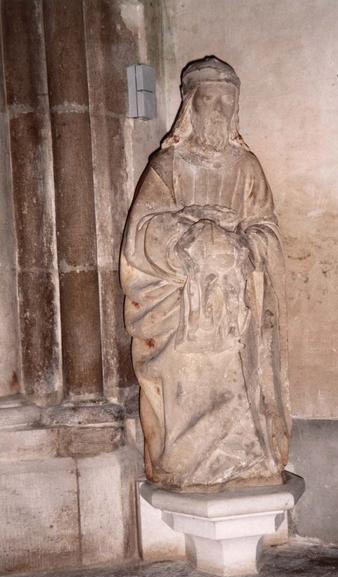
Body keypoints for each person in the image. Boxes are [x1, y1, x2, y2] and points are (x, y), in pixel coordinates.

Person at [121, 56, 290, 492]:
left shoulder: (246, 168)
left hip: (235, 301)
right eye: (210, 100)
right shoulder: (167, 166)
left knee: (239, 381)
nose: (219, 111)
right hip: (181, 305)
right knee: (185, 379)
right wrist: (193, 239)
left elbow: (267, 228)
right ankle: (183, 465)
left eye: (227, 102)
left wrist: (241, 247)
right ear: (189, 106)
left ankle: (247, 461)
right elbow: (144, 231)